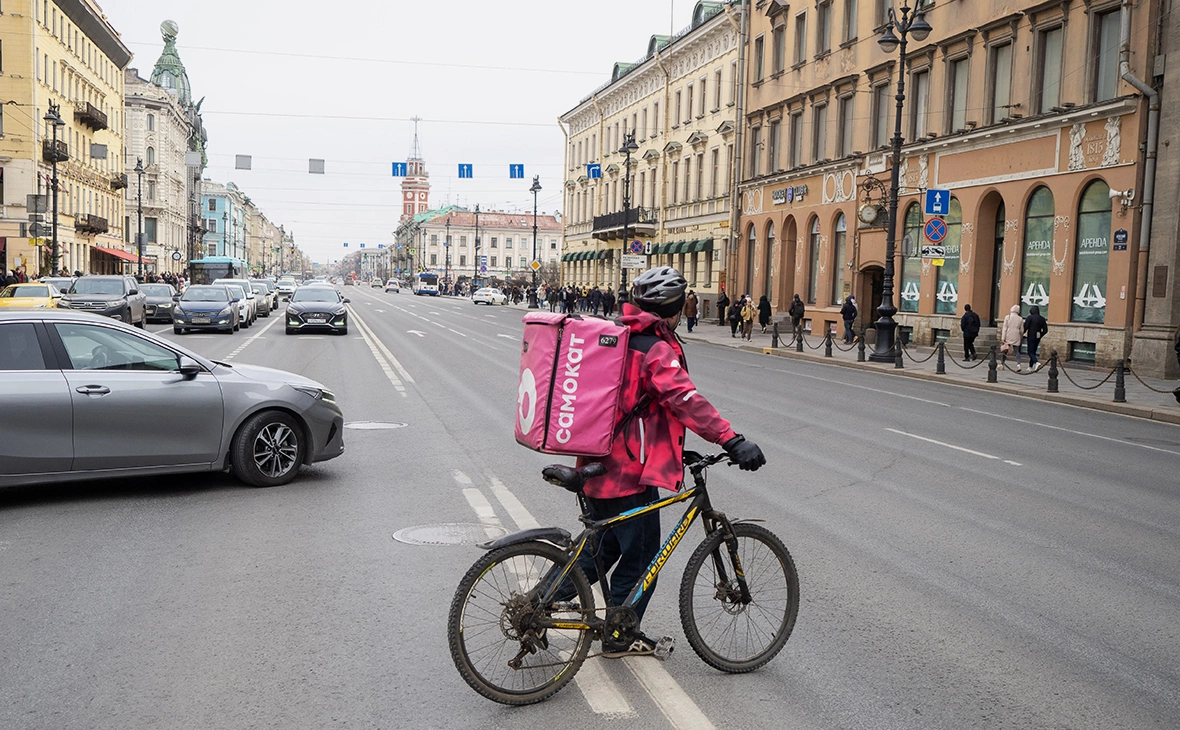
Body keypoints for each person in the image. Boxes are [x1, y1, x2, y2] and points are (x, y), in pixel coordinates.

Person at [558, 266, 765, 657]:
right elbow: (684, 400)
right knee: (640, 560)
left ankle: (541, 601)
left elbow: (639, 406)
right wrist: (731, 440)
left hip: (596, 461)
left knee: (600, 553)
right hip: (627, 473)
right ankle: (619, 637)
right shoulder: (653, 348)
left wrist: (672, 446)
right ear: (673, 308)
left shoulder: (618, 336)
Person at [1023, 305, 1049, 372]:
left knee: (1030, 352)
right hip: (1038, 336)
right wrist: (1041, 334)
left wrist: (1022, 333)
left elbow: (1026, 326)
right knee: (1033, 351)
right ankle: (1030, 366)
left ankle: (1036, 362)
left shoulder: (1030, 318)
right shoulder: (1042, 318)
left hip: (1031, 335)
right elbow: (1045, 330)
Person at [1000, 304, 1025, 371]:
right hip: (1016, 335)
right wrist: (1021, 336)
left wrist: (1003, 338)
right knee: (1017, 351)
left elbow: (1004, 328)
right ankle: (1018, 365)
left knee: (1005, 350)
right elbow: (1022, 330)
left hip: (1008, 334)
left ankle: (1002, 364)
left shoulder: (1008, 317)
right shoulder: (1020, 319)